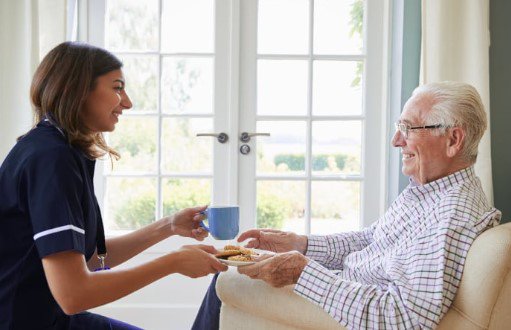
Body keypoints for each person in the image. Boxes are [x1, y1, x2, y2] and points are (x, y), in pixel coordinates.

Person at [192, 82, 501, 330]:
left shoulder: (452, 215)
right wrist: (302, 244)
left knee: (228, 274)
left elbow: (407, 319)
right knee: (236, 256)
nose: (396, 140)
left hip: (350, 308)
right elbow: (374, 238)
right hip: (347, 288)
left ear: (453, 139)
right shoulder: (430, 191)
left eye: (409, 128)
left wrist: (303, 273)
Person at [0, 41, 228, 329]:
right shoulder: (51, 159)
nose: (127, 102)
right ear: (79, 89)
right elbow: (74, 294)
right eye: (117, 87)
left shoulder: (61, 150)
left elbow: (92, 260)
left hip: (51, 318)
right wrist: (172, 263)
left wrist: (168, 227)